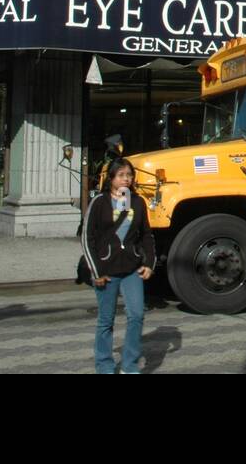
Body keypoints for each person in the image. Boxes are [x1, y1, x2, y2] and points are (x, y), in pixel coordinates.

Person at [82, 157, 155, 374]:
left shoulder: (138, 202)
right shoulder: (99, 202)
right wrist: (96, 271)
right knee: (106, 320)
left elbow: (147, 236)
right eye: (121, 175)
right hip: (106, 270)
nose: (126, 179)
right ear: (111, 178)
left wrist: (149, 263)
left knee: (136, 315)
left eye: (129, 175)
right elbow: (88, 238)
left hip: (131, 269)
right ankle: (104, 365)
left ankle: (130, 366)